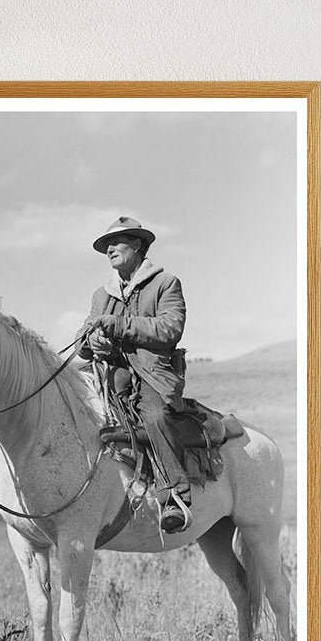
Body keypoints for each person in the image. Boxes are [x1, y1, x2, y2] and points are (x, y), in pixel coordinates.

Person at [77, 217, 192, 534]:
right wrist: (92, 341)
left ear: (138, 244)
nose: (109, 249)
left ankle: (174, 497)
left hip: (152, 375)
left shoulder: (165, 283)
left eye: (116, 242)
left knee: (155, 417)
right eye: (106, 246)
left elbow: (170, 328)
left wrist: (118, 325)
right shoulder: (102, 295)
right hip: (110, 375)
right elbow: (83, 339)